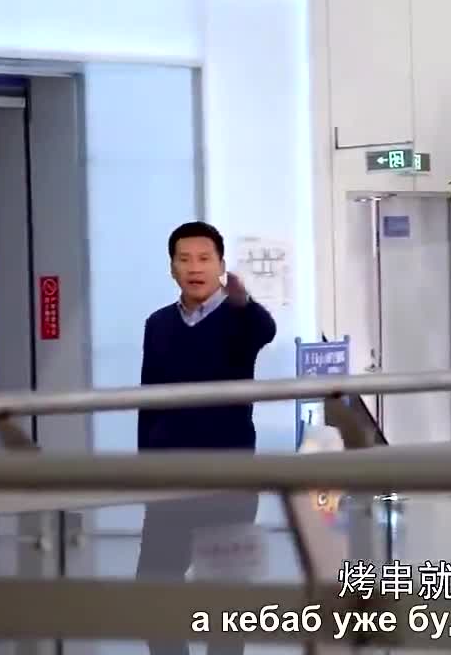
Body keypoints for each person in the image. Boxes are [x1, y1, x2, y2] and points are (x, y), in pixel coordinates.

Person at [135, 221, 276, 655]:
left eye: (204, 258)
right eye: (184, 259)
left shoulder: (239, 319)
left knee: (225, 596)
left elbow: (264, 331)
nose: (194, 268)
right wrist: (144, 464)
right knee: (155, 586)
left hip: (227, 475)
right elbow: (148, 397)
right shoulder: (158, 324)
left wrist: (242, 301)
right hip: (169, 475)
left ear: (220, 265)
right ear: (172, 268)